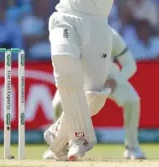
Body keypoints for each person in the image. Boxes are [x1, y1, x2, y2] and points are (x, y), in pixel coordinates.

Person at [35, 0, 127, 160]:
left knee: (94, 97)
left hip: (98, 25)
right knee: (65, 64)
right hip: (66, 17)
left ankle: (58, 135)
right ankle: (81, 138)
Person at [43, 27, 146, 160]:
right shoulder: (71, 34)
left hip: (108, 76)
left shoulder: (111, 35)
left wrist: (115, 80)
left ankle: (132, 147)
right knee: (58, 104)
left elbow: (130, 65)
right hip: (79, 77)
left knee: (132, 100)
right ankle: (58, 145)